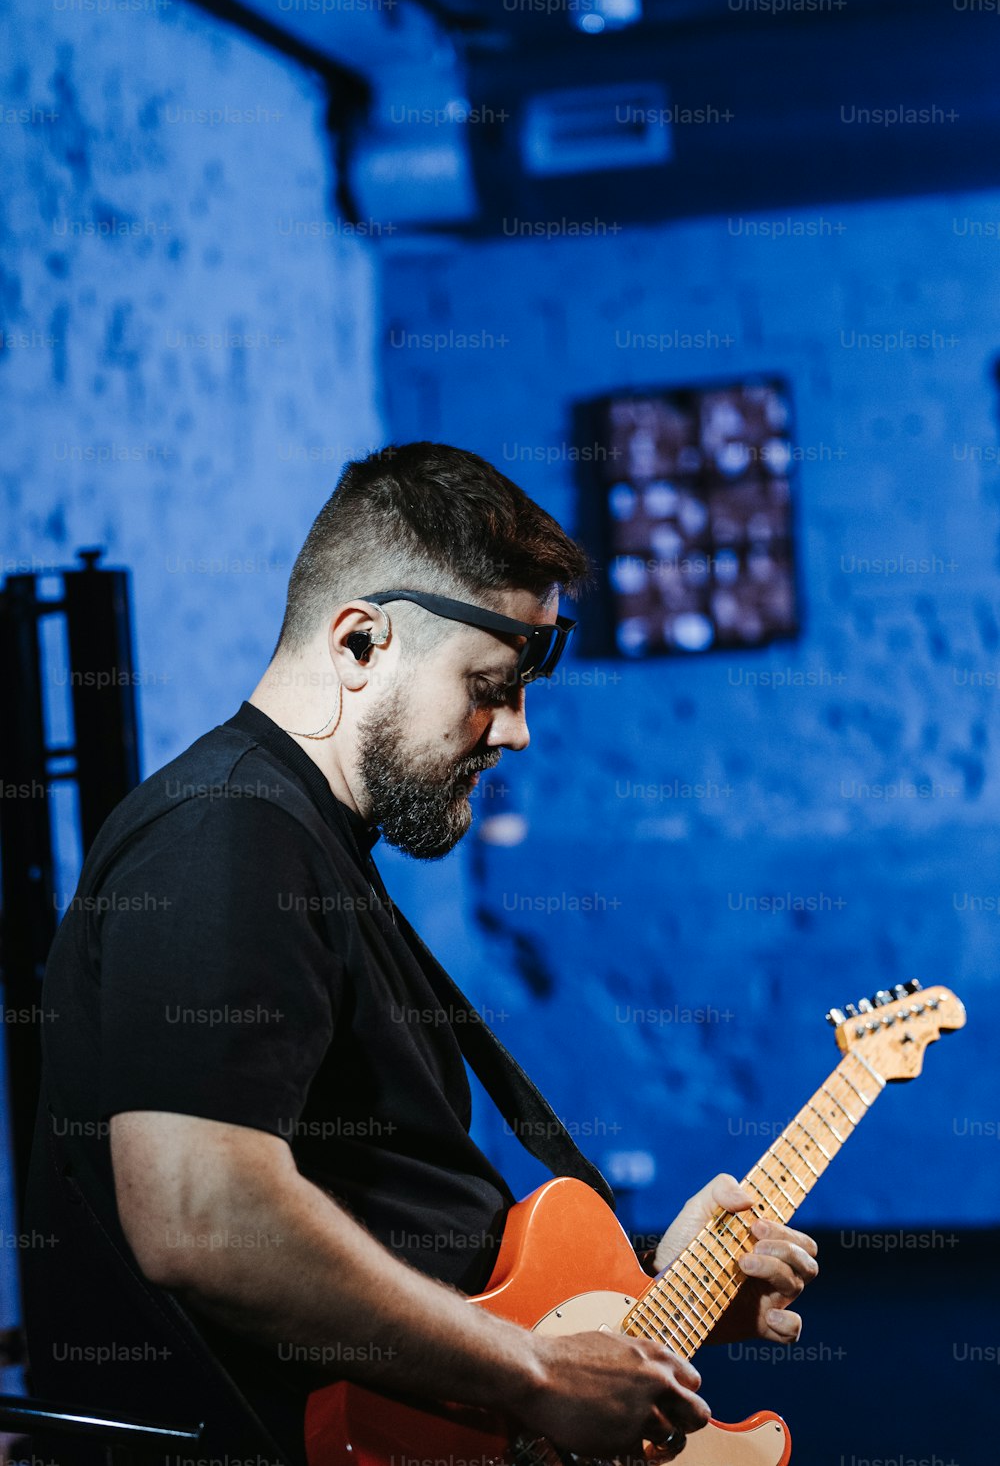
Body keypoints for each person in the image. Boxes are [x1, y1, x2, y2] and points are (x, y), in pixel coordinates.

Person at [22, 444, 818, 1466]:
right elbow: (201, 1212)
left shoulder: (309, 844)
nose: (517, 733)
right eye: (489, 685)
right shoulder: (224, 830)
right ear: (360, 644)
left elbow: (403, 1234)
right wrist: (532, 1375)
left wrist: (663, 1281)